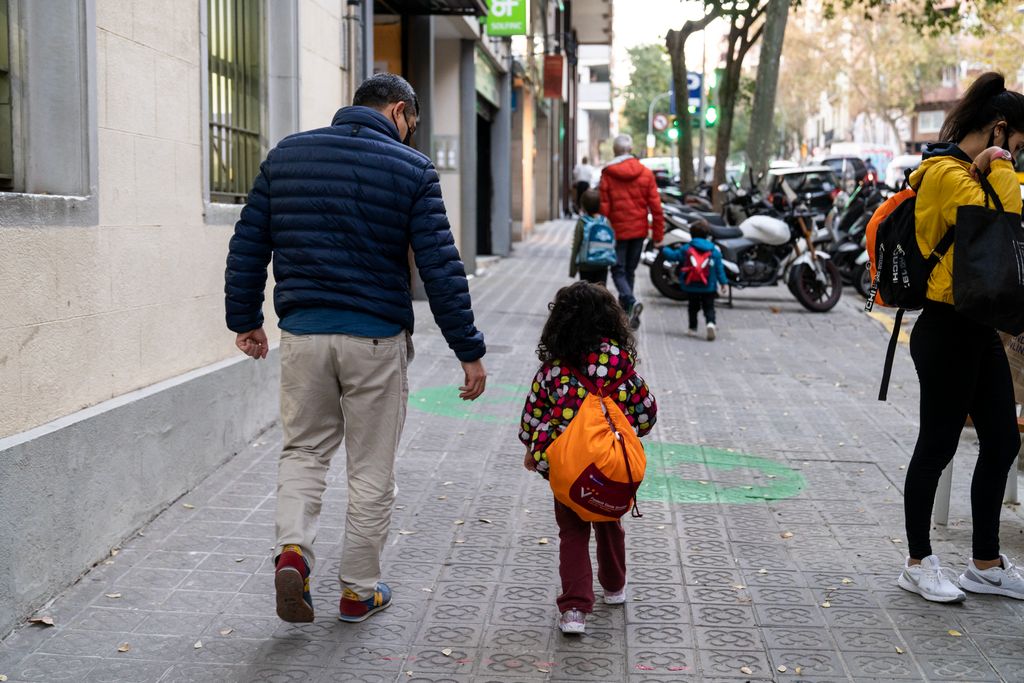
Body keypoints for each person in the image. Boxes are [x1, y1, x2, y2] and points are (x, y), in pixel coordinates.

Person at [224, 73, 488, 624]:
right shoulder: (411, 170)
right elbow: (440, 266)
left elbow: (248, 243)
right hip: (375, 341)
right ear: (397, 112)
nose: (411, 136)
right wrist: (468, 349)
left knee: (303, 451)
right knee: (371, 469)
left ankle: (292, 551)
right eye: (411, 125)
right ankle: (358, 591)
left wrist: (245, 320)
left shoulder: (288, 155)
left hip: (303, 335)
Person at [897, 72, 1024, 603]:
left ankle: (986, 563)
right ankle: (918, 561)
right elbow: (1007, 224)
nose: (1019, 159)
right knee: (938, 445)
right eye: (1017, 146)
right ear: (999, 131)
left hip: (977, 329)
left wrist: (992, 165)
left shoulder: (967, 173)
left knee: (1002, 440)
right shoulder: (945, 175)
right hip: (946, 329)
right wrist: (999, 167)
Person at [518, 282, 658, 635]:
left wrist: (532, 450)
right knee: (609, 522)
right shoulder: (620, 365)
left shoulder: (554, 367)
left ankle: (575, 609)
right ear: (611, 320)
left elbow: (533, 414)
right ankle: (614, 587)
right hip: (609, 466)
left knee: (572, 531)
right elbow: (646, 413)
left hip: (566, 467)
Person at [599, 134, 664, 329]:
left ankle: (630, 302)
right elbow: (656, 207)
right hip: (639, 230)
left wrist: (603, 232)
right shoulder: (645, 173)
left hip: (617, 231)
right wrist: (658, 235)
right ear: (630, 149)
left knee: (618, 270)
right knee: (629, 271)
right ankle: (628, 315)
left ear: (615, 151)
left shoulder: (608, 173)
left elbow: (604, 207)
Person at [662, 222, 729, 340]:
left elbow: (673, 256)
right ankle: (710, 323)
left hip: (691, 285)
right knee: (709, 307)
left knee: (693, 307)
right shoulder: (714, 250)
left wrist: (664, 248)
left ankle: (692, 328)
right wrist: (723, 283)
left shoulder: (687, 248)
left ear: (691, 235)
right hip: (709, 286)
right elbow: (719, 269)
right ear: (707, 235)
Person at [569, 189, 612, 285]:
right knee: (601, 292)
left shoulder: (582, 222)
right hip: (602, 264)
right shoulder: (605, 221)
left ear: (583, 206)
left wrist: (573, 269)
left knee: (586, 292)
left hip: (585, 265)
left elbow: (576, 245)